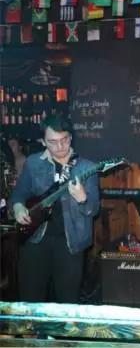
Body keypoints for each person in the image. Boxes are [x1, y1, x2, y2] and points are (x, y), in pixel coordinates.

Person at [10, 114, 100, 303]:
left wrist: (83, 198)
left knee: (67, 304)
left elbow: (94, 210)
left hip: (71, 244)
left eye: (64, 140)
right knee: (30, 301)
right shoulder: (33, 163)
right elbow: (19, 194)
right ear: (43, 142)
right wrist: (18, 207)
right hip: (35, 239)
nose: (60, 146)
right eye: (52, 142)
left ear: (71, 137)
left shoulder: (87, 167)